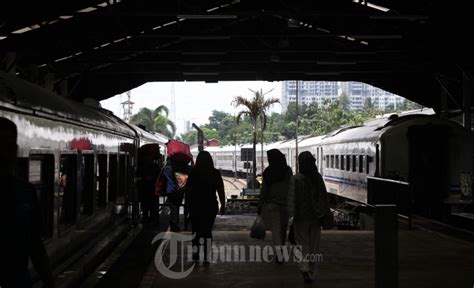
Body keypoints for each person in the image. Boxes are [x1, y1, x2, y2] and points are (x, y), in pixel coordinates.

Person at [0, 117, 54, 288]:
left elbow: (35, 244)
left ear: (15, 151)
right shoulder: (24, 193)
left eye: (8, 148)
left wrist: (48, 281)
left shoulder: (26, 192)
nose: (3, 154)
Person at [288, 151, 331, 283]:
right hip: (316, 217)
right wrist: (324, 213)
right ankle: (311, 270)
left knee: (301, 245)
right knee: (314, 245)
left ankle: (305, 269)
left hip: (300, 218)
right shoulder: (317, 177)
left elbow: (292, 199)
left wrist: (291, 216)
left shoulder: (296, 179)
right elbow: (323, 196)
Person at [185, 151, 225, 262]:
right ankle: (207, 255)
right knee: (207, 230)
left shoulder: (193, 172)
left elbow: (189, 190)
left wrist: (187, 205)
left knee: (196, 230)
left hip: (196, 205)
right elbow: (220, 190)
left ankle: (195, 254)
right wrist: (223, 205)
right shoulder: (215, 173)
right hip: (210, 205)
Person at [257, 149, 292, 263]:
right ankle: (281, 250)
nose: (268, 160)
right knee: (283, 230)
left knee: (276, 231)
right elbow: (291, 188)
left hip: (272, 205)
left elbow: (264, 190)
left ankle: (279, 253)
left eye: (269, 159)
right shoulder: (288, 171)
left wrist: (260, 204)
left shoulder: (268, 172)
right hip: (285, 205)